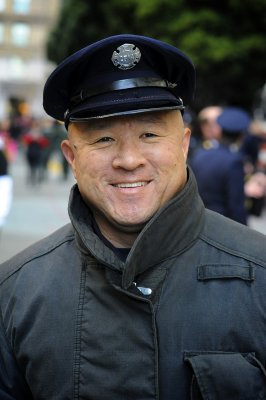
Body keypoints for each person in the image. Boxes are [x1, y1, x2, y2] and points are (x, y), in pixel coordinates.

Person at [0, 34, 266, 400]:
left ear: (184, 144)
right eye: (103, 139)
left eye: (150, 134)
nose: (129, 160)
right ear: (71, 156)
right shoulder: (14, 293)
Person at [190, 107, 250, 224]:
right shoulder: (234, 161)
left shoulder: (200, 153)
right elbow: (236, 206)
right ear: (241, 136)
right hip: (222, 225)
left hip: (198, 220)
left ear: (220, 130)